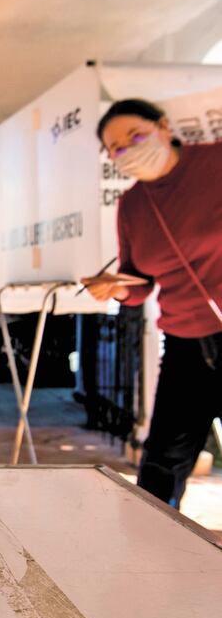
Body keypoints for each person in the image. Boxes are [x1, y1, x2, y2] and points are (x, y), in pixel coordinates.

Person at [88, 98, 222, 509]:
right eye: (116, 148)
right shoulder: (133, 205)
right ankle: (151, 560)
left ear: (164, 126)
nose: (126, 149)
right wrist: (117, 288)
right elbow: (140, 280)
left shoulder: (214, 162)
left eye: (134, 135)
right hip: (184, 344)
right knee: (160, 468)